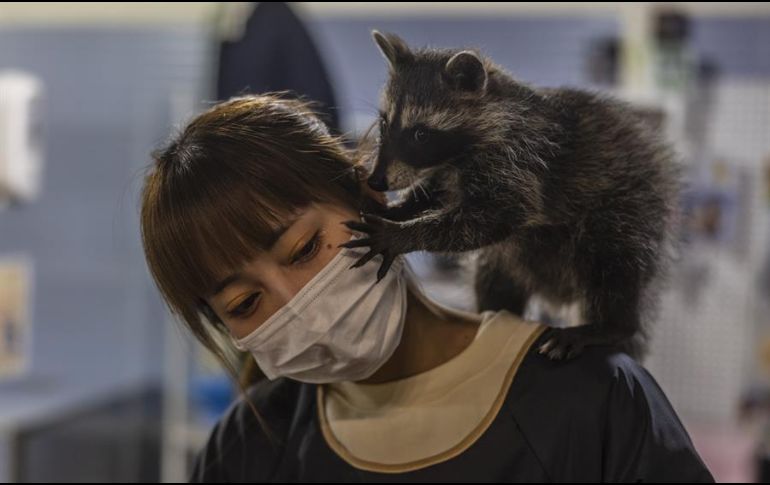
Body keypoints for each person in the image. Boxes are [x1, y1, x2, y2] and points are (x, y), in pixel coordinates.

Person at [140, 94, 714, 482]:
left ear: (369, 197)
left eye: (305, 249)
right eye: (244, 303)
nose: (300, 308)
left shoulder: (591, 400)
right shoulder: (249, 448)